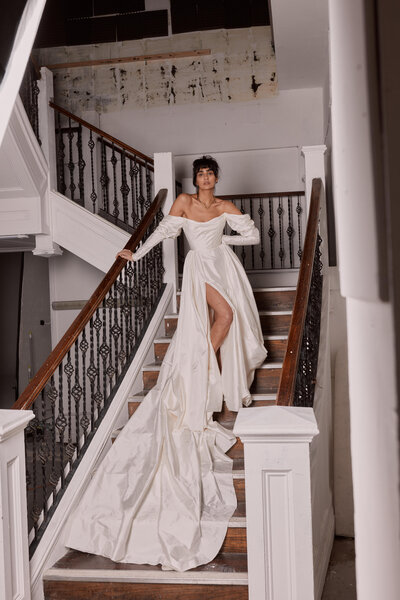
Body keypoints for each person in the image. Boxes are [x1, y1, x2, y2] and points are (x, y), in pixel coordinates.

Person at [66, 155, 267, 571]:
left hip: (222, 265)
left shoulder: (224, 206)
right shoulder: (183, 202)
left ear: (217, 177)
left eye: (211, 173)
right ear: (194, 179)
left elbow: (253, 234)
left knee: (229, 317)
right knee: (225, 316)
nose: (205, 178)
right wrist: (136, 255)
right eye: (201, 173)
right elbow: (164, 231)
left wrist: (226, 242)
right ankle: (202, 368)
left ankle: (205, 368)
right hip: (199, 269)